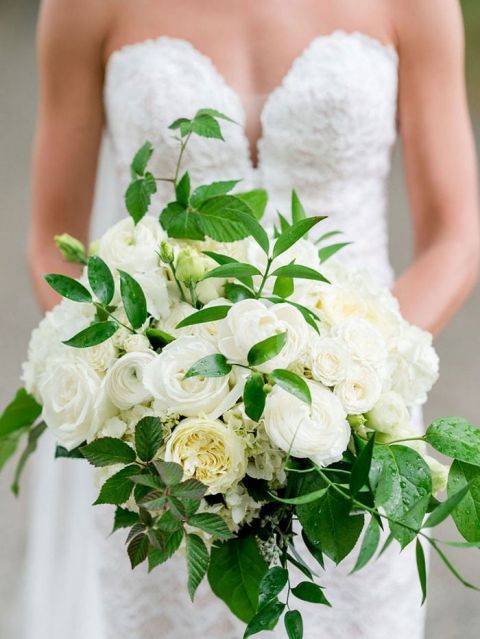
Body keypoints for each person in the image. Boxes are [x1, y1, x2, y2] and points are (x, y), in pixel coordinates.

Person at [24, 1, 479, 638]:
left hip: (356, 427)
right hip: (166, 462)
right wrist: (146, 378)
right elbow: (54, 241)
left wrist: (353, 371)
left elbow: (455, 238)